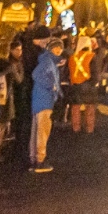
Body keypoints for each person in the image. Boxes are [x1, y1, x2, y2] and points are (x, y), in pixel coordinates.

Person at [30, 38, 64, 172]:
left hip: (38, 100)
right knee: (43, 132)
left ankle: (34, 159)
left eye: (60, 48)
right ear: (50, 49)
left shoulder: (48, 61)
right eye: (56, 48)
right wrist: (52, 87)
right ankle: (40, 161)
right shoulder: (48, 61)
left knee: (36, 131)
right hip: (44, 100)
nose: (59, 50)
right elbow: (36, 74)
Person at [68, 36, 99, 133]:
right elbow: (95, 73)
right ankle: (89, 128)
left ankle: (76, 128)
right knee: (89, 107)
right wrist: (94, 83)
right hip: (88, 85)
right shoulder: (91, 56)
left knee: (76, 108)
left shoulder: (72, 58)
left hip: (76, 86)